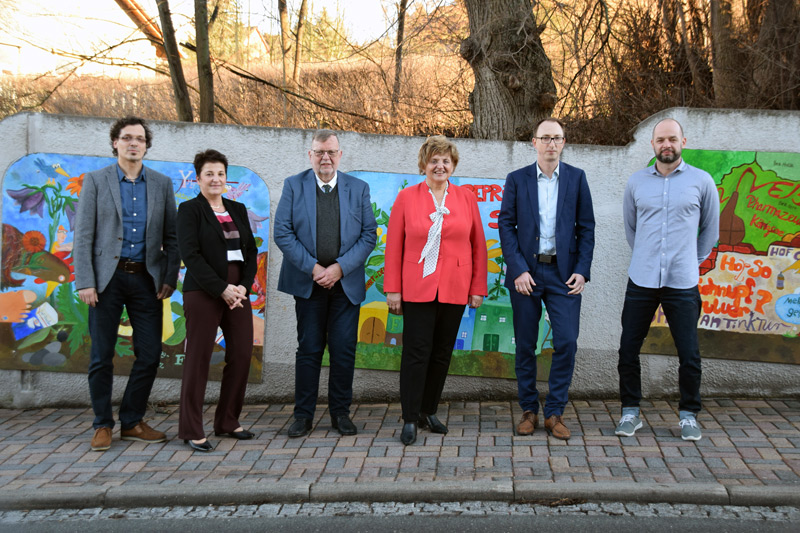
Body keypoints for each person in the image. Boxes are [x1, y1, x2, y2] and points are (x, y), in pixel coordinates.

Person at [73, 116, 179, 452]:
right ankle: (103, 424)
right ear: (115, 143)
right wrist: (85, 281)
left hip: (146, 279)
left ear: (146, 146)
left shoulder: (161, 184)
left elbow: (172, 237)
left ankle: (131, 421)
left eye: (139, 139)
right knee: (101, 356)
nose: (133, 143)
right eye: (127, 138)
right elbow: (84, 235)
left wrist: (168, 277)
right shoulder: (96, 181)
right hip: (106, 280)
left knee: (149, 354)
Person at [615, 118, 719, 442]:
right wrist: (646, 256)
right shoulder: (636, 183)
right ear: (653, 145)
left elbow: (710, 231)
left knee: (689, 354)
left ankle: (688, 415)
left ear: (683, 141)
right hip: (642, 280)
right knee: (628, 350)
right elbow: (632, 229)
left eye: (672, 139)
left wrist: (691, 262)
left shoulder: (702, 182)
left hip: (682, 282)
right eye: (661, 140)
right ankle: (630, 411)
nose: (666, 145)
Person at [384, 135, 488, 446]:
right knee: (416, 353)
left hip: (455, 287)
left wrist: (477, 288)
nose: (439, 165)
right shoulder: (407, 198)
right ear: (424, 165)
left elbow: (478, 246)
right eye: (434, 160)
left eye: (445, 160)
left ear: (453, 165)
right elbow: (394, 246)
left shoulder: (466, 199)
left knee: (442, 354)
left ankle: (429, 410)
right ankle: (410, 417)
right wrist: (393, 290)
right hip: (417, 288)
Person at [274, 129, 377, 438]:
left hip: (345, 285)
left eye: (331, 152)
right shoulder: (294, 186)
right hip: (309, 284)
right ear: (310, 155)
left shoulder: (358, 189)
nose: (325, 158)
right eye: (319, 152)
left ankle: (340, 413)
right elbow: (283, 232)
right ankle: (303, 415)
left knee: (344, 350)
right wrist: (316, 268)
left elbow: (368, 235)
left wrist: (339, 269)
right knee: (309, 349)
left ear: (340, 155)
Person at [498, 117, 595, 441]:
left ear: (563, 143)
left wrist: (582, 270)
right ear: (534, 143)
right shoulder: (517, 179)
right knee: (526, 344)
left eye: (557, 138)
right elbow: (506, 227)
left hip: (563, 274)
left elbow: (587, 229)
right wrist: (518, 269)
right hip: (527, 272)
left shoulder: (577, 179)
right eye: (545, 138)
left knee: (566, 341)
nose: (551, 144)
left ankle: (554, 412)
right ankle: (529, 410)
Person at [176, 150, 258, 452]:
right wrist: (221, 288)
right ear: (198, 179)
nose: (216, 179)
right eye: (209, 173)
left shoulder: (237, 208)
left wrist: (242, 288)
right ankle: (191, 429)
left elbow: (250, 253)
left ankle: (227, 421)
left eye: (221, 173)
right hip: (204, 291)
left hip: (237, 292)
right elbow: (191, 256)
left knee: (242, 354)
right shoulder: (189, 210)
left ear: (226, 178)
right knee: (198, 359)